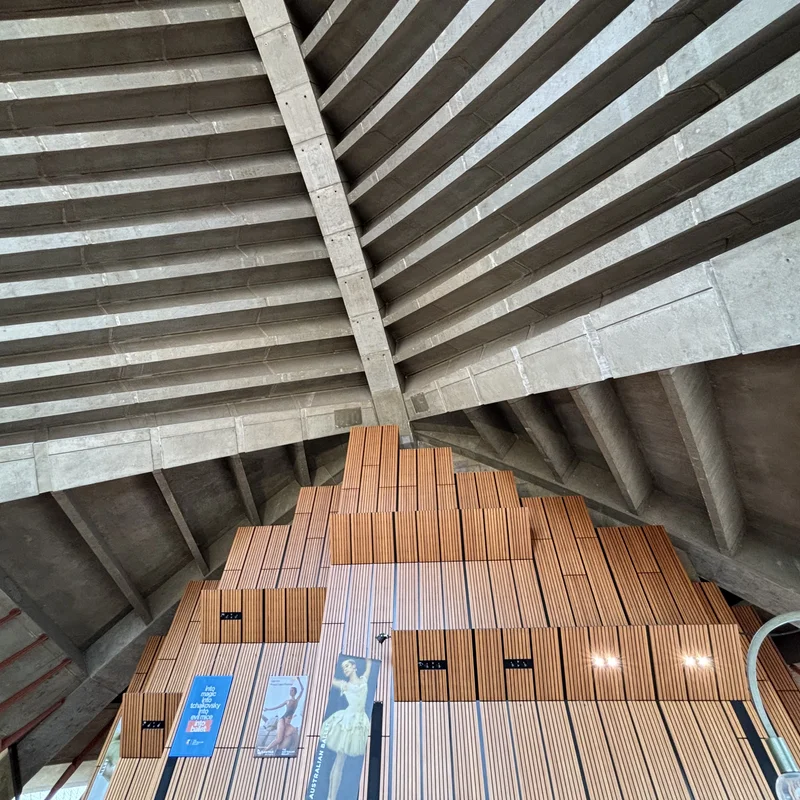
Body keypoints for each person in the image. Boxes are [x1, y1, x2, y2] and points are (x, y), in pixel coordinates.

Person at [319, 659, 372, 800]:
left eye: (347, 666)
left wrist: (369, 656)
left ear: (354, 667)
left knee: (342, 761)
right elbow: (331, 680)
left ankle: (333, 797)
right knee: (339, 759)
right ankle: (331, 797)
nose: (345, 670)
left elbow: (369, 666)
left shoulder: (363, 679)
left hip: (359, 721)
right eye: (343, 668)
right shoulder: (345, 685)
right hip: (348, 721)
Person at [262, 678, 304, 752]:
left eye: (292, 690)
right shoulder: (287, 701)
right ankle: (266, 749)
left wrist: (299, 680)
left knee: (290, 734)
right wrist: (268, 709)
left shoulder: (296, 700)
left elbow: (302, 689)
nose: (290, 691)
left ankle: (284, 750)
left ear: (295, 692)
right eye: (290, 690)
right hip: (283, 719)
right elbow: (277, 706)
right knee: (279, 739)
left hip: (288, 720)